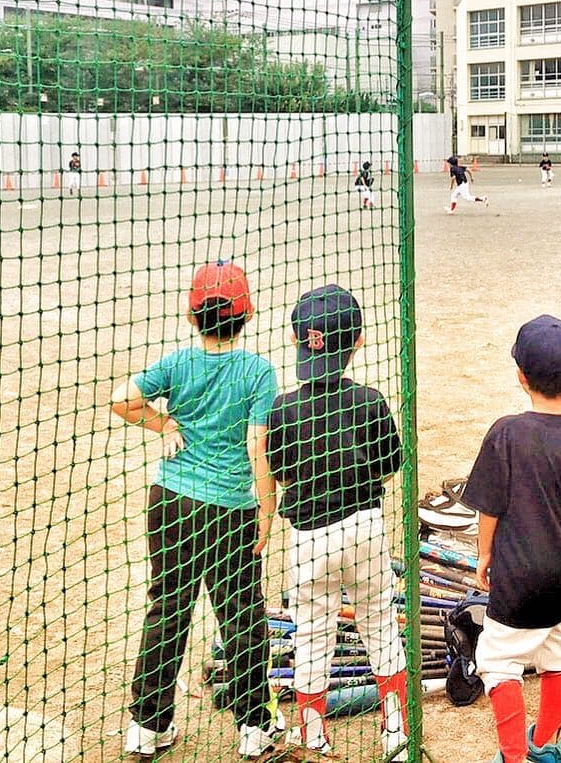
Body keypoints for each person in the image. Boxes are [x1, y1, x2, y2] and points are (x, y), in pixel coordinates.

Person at [111, 261, 282, 758]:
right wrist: (266, 510)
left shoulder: (178, 364)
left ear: (191, 317)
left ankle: (147, 728)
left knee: (168, 608)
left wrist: (164, 425)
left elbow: (121, 400)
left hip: (170, 502)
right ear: (248, 315)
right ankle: (255, 728)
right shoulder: (257, 372)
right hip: (230, 509)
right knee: (242, 615)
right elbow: (258, 448)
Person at [266, 285, 407, 760]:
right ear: (358, 342)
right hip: (364, 526)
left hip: (309, 537)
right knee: (380, 622)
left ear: (296, 340)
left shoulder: (282, 407)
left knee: (311, 633)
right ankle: (394, 729)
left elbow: (281, 473)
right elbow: (389, 466)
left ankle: (314, 735)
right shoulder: (369, 401)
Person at [463, 315, 561, 763]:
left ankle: (514, 755)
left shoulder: (506, 431)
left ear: (521, 376)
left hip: (519, 574)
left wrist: (484, 553)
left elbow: (490, 507)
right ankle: (545, 742)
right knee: (559, 654)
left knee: (500, 662)